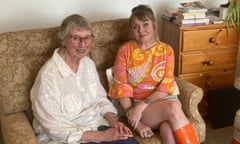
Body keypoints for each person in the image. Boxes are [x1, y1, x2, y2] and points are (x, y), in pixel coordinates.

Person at [30, 14, 139, 144]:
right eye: (76, 38)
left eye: (87, 38)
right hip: (70, 138)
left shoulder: (88, 64)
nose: (83, 44)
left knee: (129, 141)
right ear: (63, 40)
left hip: (97, 125)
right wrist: (102, 136)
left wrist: (114, 123)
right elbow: (54, 128)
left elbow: (100, 100)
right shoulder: (48, 77)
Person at [108, 5, 198, 144]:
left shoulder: (166, 50)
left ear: (154, 25)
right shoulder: (125, 51)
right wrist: (135, 119)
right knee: (173, 108)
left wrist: (142, 105)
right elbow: (122, 89)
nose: (141, 30)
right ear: (131, 30)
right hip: (141, 109)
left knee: (167, 128)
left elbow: (166, 86)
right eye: (135, 27)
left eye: (145, 24)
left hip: (163, 100)